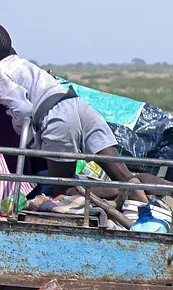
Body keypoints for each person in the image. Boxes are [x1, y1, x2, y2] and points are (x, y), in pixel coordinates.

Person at [0, 25, 148, 203]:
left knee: (62, 189)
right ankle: (170, 190)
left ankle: (117, 192)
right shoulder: (21, 63)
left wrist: (29, 139)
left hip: (56, 118)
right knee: (123, 175)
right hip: (77, 105)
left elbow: (23, 109)